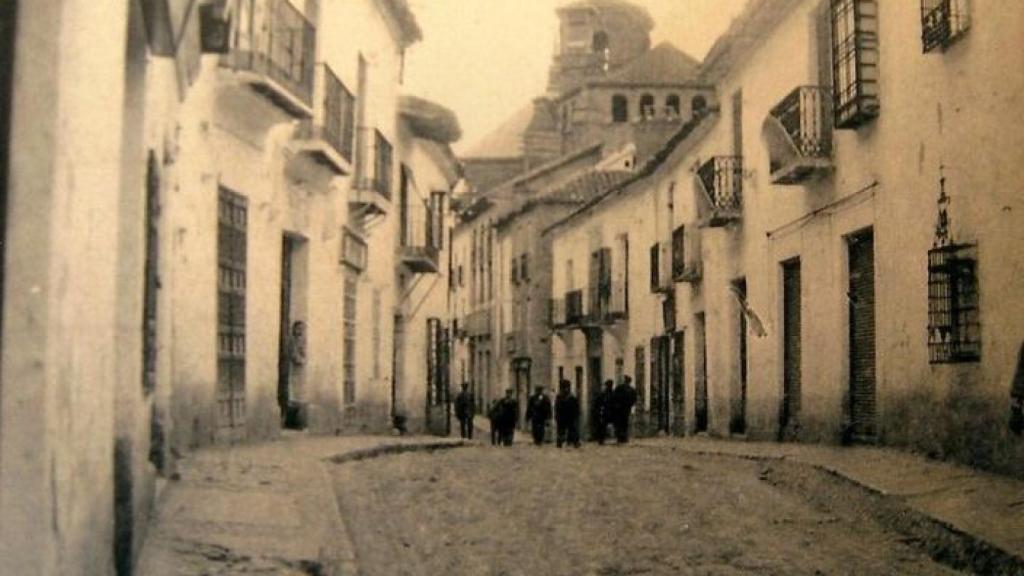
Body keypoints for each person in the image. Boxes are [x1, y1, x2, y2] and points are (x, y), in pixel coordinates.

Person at [555, 380, 581, 448]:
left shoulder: (572, 397)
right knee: (560, 431)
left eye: (567, 387)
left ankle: (575, 442)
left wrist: (576, 415)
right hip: (562, 417)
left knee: (573, 430)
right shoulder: (559, 397)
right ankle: (559, 442)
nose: (566, 389)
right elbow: (557, 407)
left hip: (570, 417)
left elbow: (576, 406)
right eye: (565, 387)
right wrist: (557, 416)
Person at [612, 376, 638, 444]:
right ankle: (624, 437)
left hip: (619, 409)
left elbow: (614, 397)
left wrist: (616, 405)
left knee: (619, 423)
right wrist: (630, 405)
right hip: (626, 409)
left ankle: (620, 437)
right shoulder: (631, 390)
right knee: (625, 423)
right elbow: (634, 399)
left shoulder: (619, 388)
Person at [592, 380, 614, 445]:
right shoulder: (604, 394)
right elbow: (597, 403)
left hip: (608, 412)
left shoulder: (610, 394)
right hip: (604, 412)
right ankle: (601, 439)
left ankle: (601, 438)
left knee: (602, 426)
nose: (608, 387)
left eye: (609, 385)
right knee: (602, 426)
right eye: (608, 385)